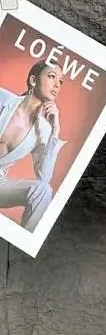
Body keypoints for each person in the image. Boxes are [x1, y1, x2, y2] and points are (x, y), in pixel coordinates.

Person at [0, 60, 66, 231]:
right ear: (33, 80)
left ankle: (23, 242)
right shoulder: (2, 98)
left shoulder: (44, 130)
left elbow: (44, 177)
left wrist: (55, 131)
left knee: (43, 190)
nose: (57, 85)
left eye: (60, 81)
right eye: (51, 76)